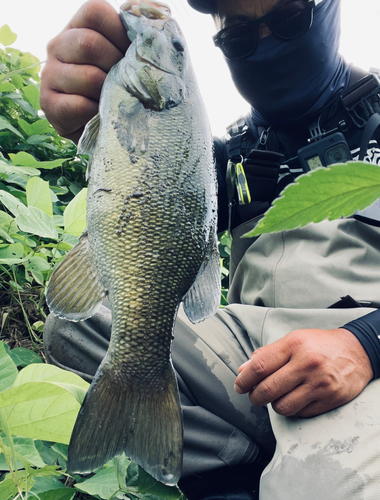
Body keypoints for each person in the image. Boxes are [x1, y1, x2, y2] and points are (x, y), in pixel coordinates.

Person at [40, 0, 380, 499]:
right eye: (241, 38)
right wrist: (100, 113)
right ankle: (231, 471)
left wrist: (366, 346)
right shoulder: (226, 155)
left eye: (289, 20)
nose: (266, 44)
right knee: (86, 325)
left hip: (366, 355)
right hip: (258, 360)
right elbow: (147, 212)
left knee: (324, 487)